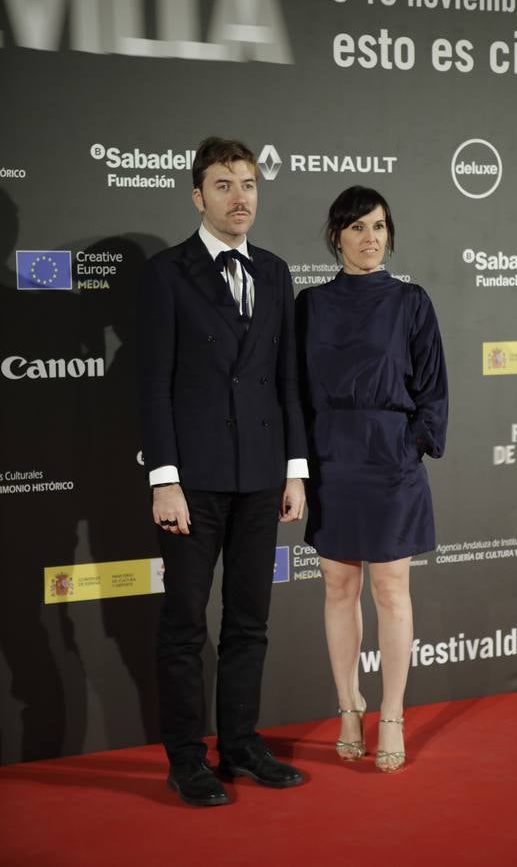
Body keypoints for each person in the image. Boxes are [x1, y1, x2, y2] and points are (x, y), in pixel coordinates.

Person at [138, 137, 308, 806]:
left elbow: (285, 380)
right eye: (224, 185)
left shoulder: (274, 271)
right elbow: (152, 386)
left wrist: (295, 470)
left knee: (250, 621)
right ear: (197, 196)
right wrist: (164, 478)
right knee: (185, 624)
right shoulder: (165, 273)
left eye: (249, 184)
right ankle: (187, 758)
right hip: (194, 481)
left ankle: (239, 743)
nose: (241, 198)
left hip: (262, 476)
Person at [295, 186, 448, 773]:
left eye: (380, 226)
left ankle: (391, 715)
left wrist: (411, 445)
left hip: (390, 460)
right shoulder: (309, 305)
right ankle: (347, 707)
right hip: (332, 458)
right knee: (338, 588)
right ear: (336, 236)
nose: (370, 238)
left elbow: (433, 389)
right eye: (358, 227)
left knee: (391, 590)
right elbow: (297, 394)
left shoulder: (411, 302)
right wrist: (302, 464)